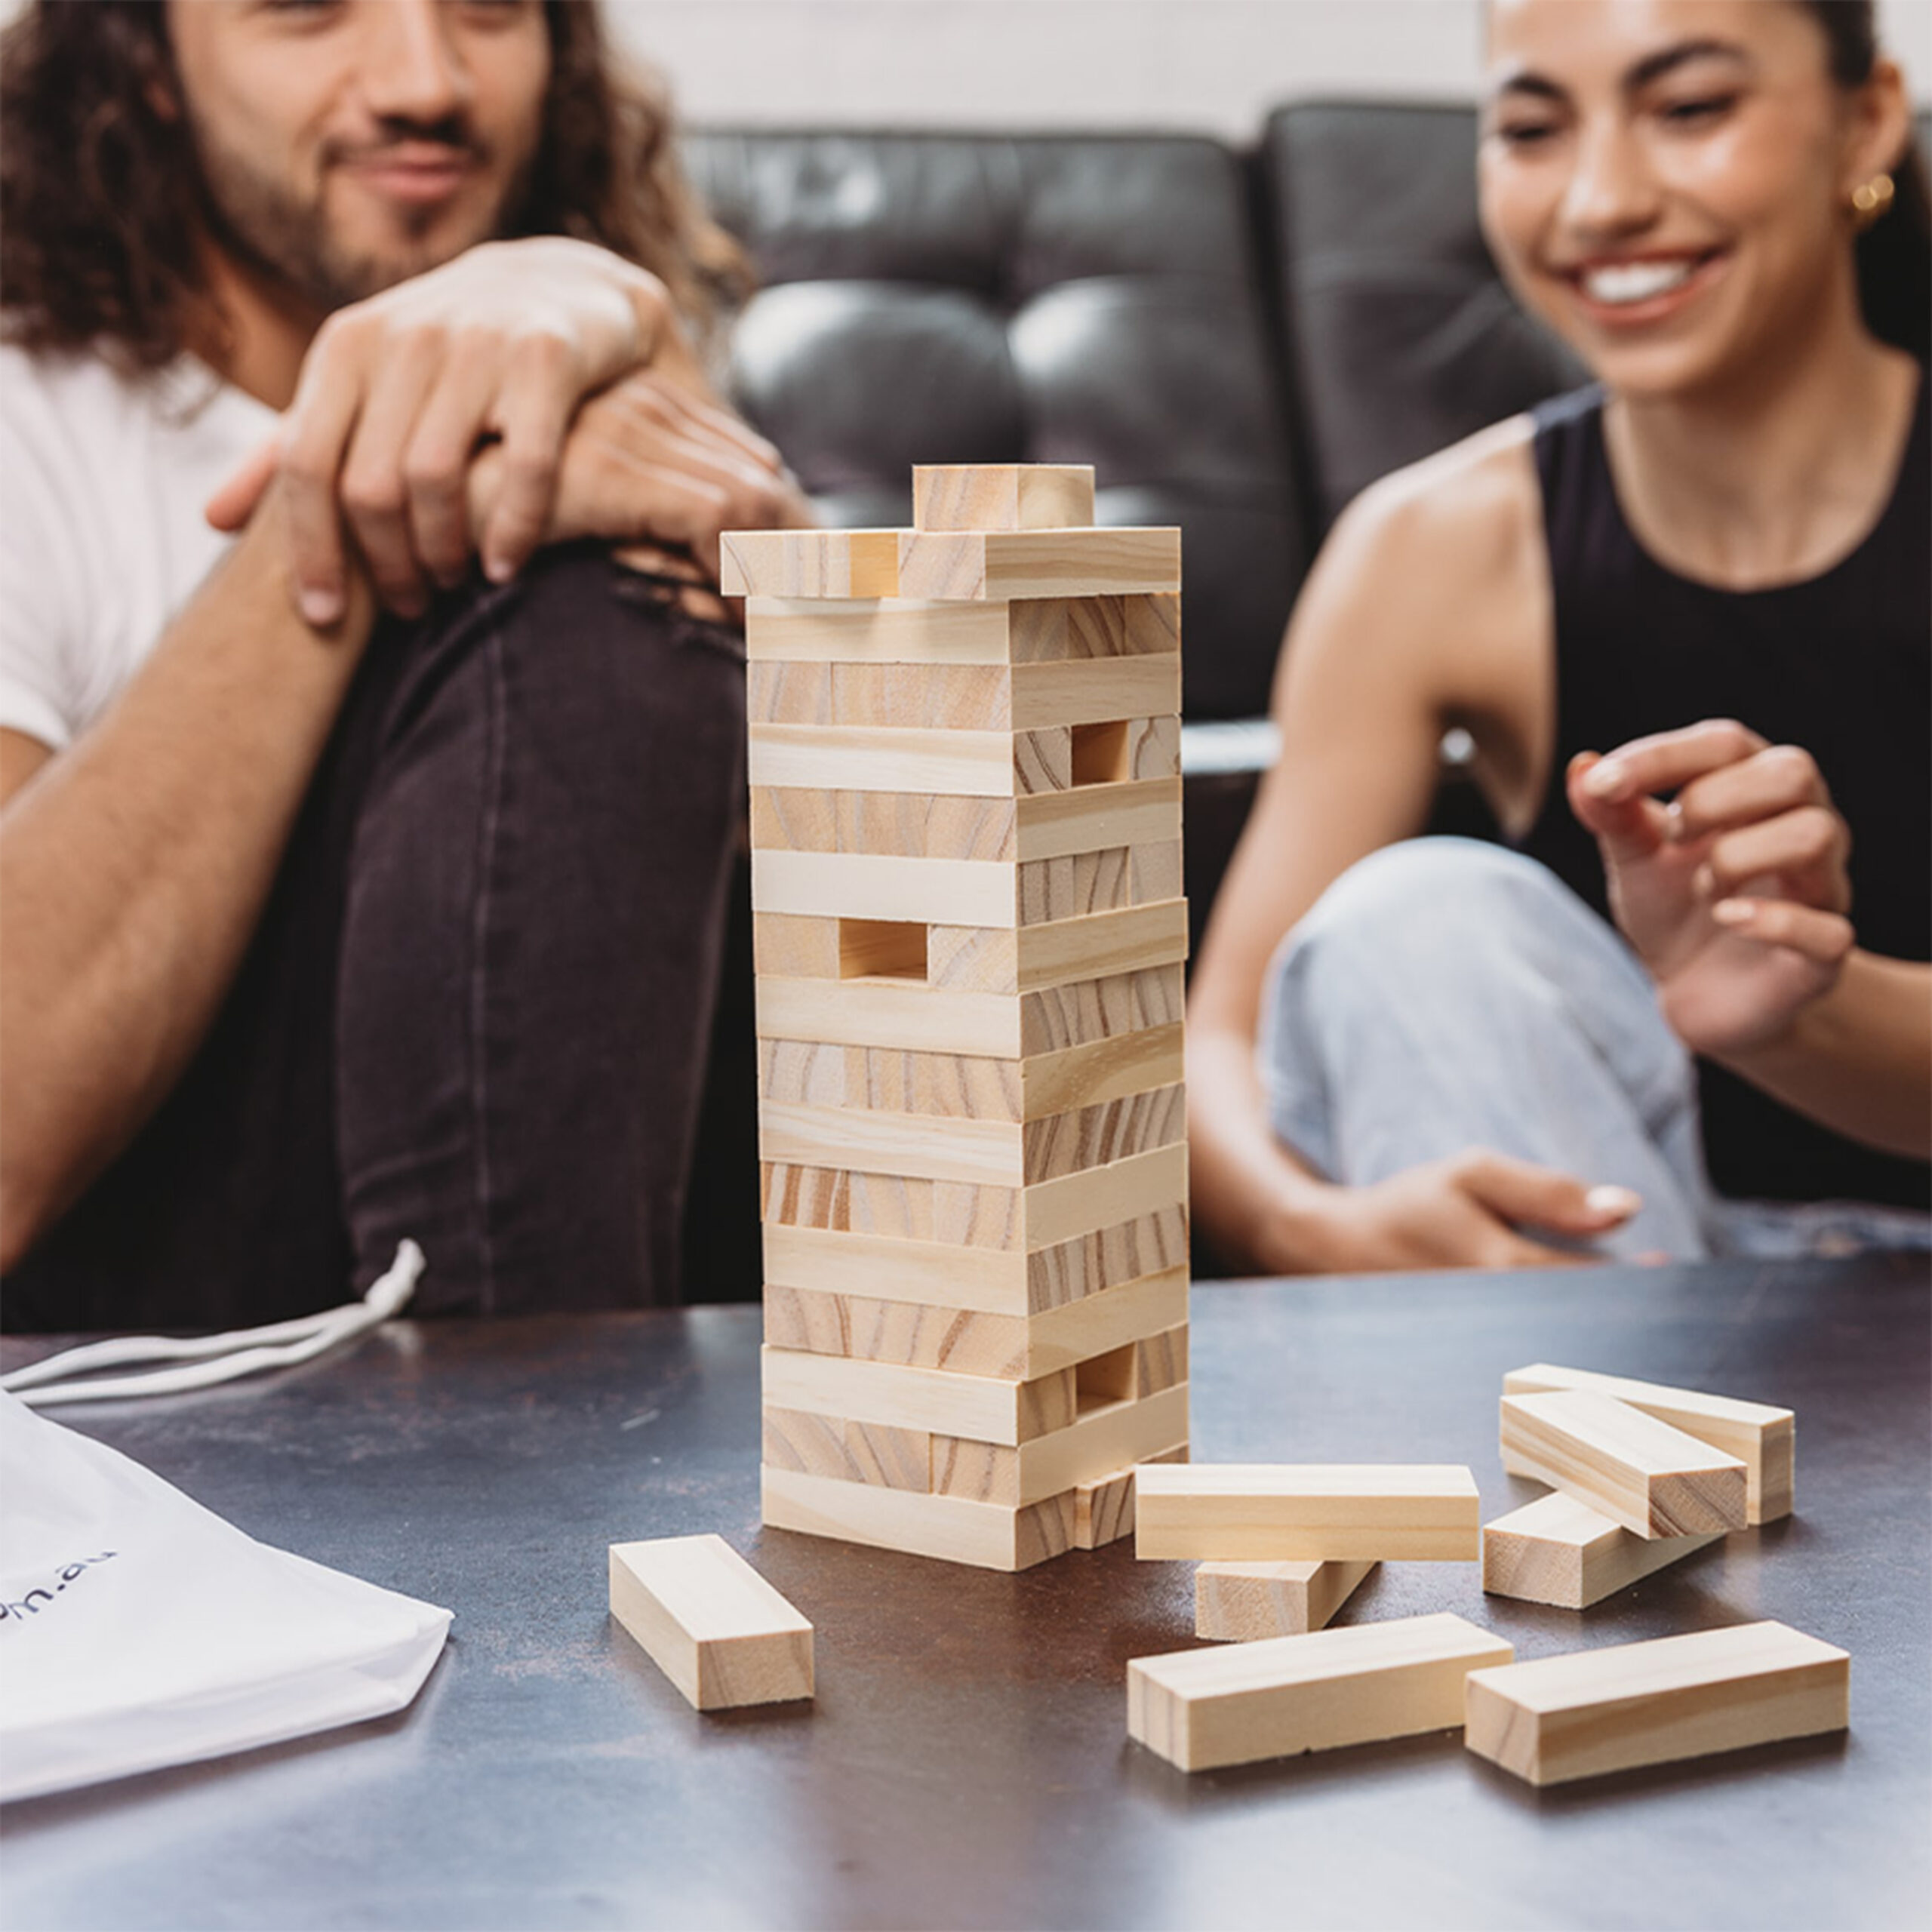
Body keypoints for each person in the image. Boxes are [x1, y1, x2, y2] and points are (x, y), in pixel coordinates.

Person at [0, 0, 811, 1330]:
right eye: (312, 10)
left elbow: (906, 909)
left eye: (488, 9)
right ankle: (520, 1499)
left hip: (657, 1257)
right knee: (580, 613)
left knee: (617, 597)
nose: (425, 82)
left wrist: (646, 359)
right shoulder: (29, 424)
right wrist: (337, 511)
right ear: (144, 60)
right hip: (162, 1338)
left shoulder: (606, 379)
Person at [1188, 0, 1930, 1275]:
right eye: (1533, 129)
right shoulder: (1432, 546)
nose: (1599, 203)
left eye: (1690, 108)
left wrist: (1790, 1012)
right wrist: (1308, 1228)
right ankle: (1626, 1462)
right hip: (1643, 1296)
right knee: (1412, 921)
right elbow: (1225, 1041)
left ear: (1867, 118)